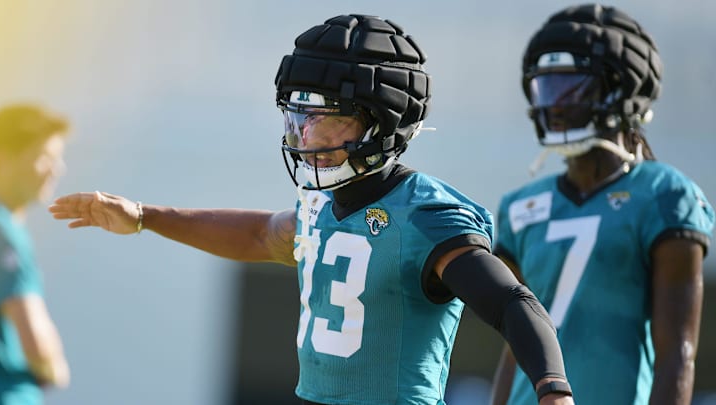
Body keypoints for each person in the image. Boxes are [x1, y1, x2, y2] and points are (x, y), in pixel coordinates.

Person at [49, 14, 574, 405]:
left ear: (380, 123)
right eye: (296, 117)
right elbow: (260, 236)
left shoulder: (426, 216)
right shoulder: (321, 206)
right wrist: (144, 216)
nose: (304, 136)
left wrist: (552, 388)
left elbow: (510, 303)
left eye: (322, 119)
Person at [490, 4, 715, 405]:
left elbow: (678, 355)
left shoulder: (664, 195)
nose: (555, 105)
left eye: (572, 88)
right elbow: (514, 348)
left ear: (620, 91)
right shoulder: (521, 206)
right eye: (547, 88)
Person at [0, 103, 71, 404]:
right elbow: (35, 339)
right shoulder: (4, 233)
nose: (57, 169)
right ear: (2, 158)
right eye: (44, 158)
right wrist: (56, 368)